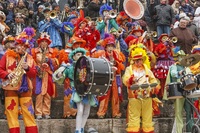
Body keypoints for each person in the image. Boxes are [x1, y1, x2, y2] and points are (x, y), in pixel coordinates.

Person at [54, 47, 98, 133]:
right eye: (78, 55)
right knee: (80, 110)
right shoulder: (69, 67)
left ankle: (81, 128)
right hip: (77, 90)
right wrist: (60, 74)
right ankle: (77, 130)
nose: (80, 56)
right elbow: (59, 75)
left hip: (87, 90)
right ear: (73, 57)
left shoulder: (88, 67)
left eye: (81, 55)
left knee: (87, 111)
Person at [0, 34, 38, 133]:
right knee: (12, 115)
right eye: (19, 45)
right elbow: (0, 69)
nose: (21, 48)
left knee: (29, 114)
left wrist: (27, 68)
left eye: (24, 46)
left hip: (25, 89)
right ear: (15, 45)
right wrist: (7, 74)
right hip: (10, 88)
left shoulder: (29, 58)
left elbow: (33, 74)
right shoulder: (7, 55)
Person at [122, 46, 159, 133]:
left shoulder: (147, 69)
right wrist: (131, 79)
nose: (139, 62)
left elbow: (153, 80)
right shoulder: (129, 69)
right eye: (137, 60)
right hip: (134, 97)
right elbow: (125, 80)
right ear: (134, 61)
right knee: (134, 118)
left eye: (140, 60)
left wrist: (154, 87)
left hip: (147, 96)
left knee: (147, 118)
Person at [164, 49, 195, 133]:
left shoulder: (187, 67)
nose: (182, 59)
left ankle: (190, 130)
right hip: (178, 91)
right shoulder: (174, 66)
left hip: (188, 90)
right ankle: (178, 131)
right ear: (177, 58)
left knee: (190, 112)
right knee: (178, 113)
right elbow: (173, 73)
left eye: (183, 57)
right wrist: (180, 72)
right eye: (180, 57)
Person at [31, 32, 59, 119]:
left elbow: (57, 63)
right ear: (39, 43)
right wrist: (37, 68)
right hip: (38, 74)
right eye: (42, 41)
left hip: (48, 74)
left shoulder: (52, 51)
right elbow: (31, 61)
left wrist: (50, 60)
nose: (44, 43)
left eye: (46, 41)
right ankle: (38, 113)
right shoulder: (34, 51)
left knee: (47, 94)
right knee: (39, 93)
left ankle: (46, 112)